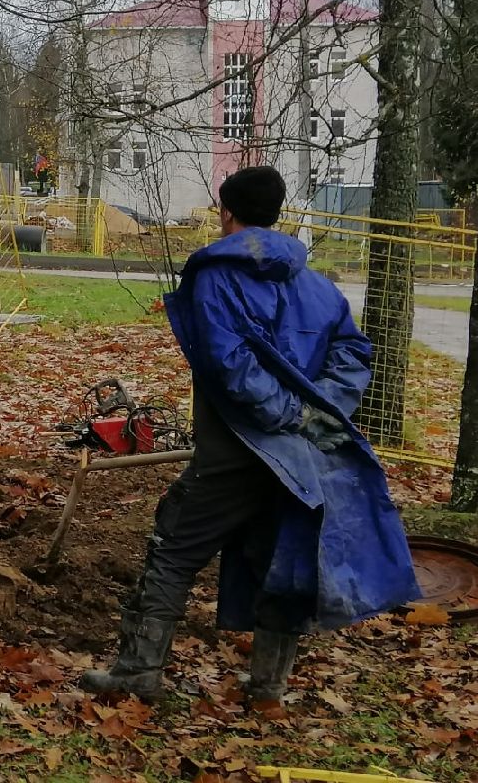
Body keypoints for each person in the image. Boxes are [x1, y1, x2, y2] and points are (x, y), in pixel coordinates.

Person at [80, 166, 418, 702]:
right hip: (302, 458)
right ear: (277, 214)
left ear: (226, 213)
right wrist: (319, 411)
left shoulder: (216, 276)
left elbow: (229, 364)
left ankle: (136, 673)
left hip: (237, 453)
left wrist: (290, 412)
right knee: (278, 557)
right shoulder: (318, 287)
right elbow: (354, 352)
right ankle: (269, 686)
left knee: (173, 548)